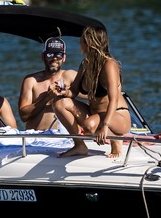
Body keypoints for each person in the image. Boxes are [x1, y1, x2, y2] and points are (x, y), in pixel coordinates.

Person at [51, 26, 131, 158]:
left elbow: (114, 100)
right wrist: (62, 92)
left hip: (117, 116)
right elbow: (74, 92)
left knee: (89, 126)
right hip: (95, 114)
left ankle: (116, 138)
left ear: (89, 42)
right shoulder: (85, 63)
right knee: (59, 103)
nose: (79, 43)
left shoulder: (109, 65)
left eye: (81, 40)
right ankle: (79, 145)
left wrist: (105, 125)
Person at [18, 37, 78, 130]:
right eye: (50, 54)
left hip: (65, 138)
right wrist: (47, 97)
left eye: (58, 55)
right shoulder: (31, 80)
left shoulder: (70, 76)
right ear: (43, 57)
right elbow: (23, 116)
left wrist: (69, 92)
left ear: (64, 57)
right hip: (36, 137)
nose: (54, 58)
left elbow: (94, 95)